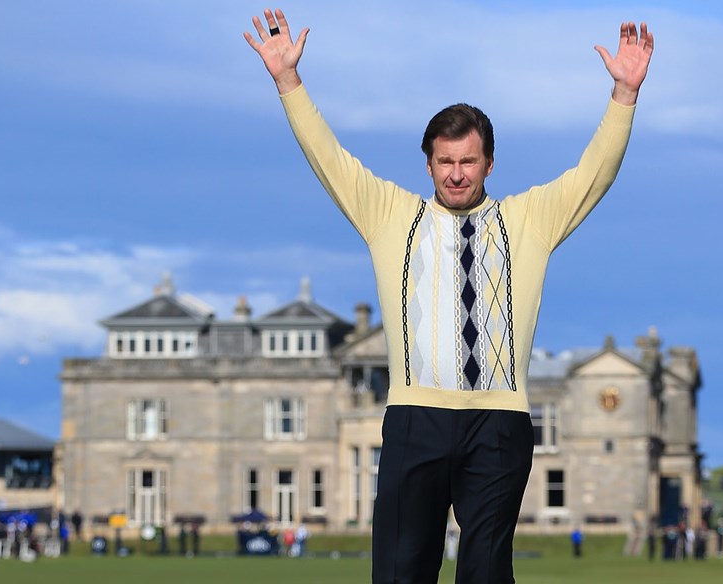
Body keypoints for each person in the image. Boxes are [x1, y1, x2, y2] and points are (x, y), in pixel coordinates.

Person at [244, 8, 654, 584]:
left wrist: (623, 94)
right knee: (401, 570)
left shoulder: (529, 219)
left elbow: (595, 173)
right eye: (445, 162)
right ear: (429, 163)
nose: (457, 174)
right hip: (416, 418)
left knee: (486, 572)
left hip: (499, 420)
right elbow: (329, 160)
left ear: (489, 162)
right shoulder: (390, 215)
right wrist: (288, 81)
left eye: (468, 161)